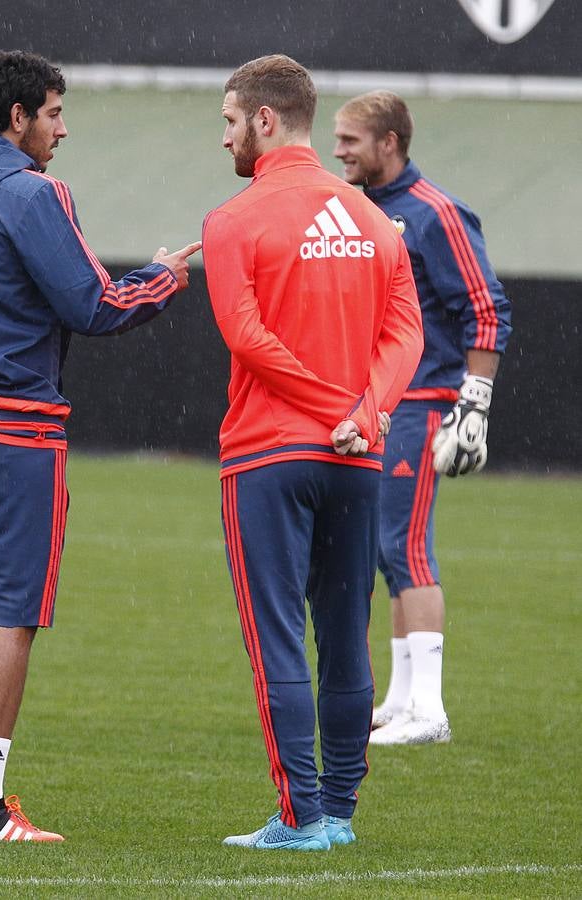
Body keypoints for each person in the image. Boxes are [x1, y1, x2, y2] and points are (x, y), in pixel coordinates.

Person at [0, 49, 200, 842]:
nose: (63, 128)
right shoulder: (32, 195)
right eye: (54, 112)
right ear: (16, 117)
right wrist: (162, 277)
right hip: (15, 433)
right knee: (12, 617)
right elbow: (95, 306)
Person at [201, 55, 423, 850]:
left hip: (268, 452)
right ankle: (337, 815)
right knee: (343, 631)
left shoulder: (230, 220)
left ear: (264, 120)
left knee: (276, 638)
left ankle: (296, 820)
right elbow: (406, 332)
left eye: (228, 122)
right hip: (355, 457)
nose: (223, 139)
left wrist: (336, 408)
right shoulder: (373, 219)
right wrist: (365, 412)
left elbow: (245, 336)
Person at [334, 91, 512, 747]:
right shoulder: (357, 211)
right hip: (380, 403)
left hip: (423, 400)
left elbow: (486, 309)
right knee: (385, 549)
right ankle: (401, 699)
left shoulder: (436, 213)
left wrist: (474, 400)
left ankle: (429, 711)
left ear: (388, 143)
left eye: (350, 139)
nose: (338, 151)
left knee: (404, 548)